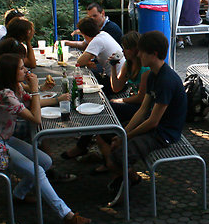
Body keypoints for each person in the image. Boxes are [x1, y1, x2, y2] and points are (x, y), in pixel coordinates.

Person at [0, 53, 90, 224]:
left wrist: (54, 98)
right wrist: (35, 88)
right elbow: (35, 118)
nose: (26, 71)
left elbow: (33, 103)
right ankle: (66, 214)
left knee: (46, 161)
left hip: (3, 138)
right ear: (11, 73)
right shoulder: (4, 95)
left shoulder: (15, 88)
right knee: (38, 170)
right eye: (21, 68)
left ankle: (18, 195)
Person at [106, 31, 187, 204]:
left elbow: (153, 122)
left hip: (164, 133)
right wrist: (123, 133)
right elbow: (143, 110)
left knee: (114, 159)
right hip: (154, 127)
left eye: (142, 52)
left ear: (154, 54)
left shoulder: (166, 80)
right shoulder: (152, 75)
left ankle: (127, 185)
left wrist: (125, 137)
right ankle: (129, 178)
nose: (138, 55)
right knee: (110, 136)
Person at [62, 32, 149, 171]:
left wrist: (121, 100)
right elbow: (116, 87)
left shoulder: (145, 69)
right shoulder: (128, 64)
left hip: (142, 108)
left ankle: (84, 147)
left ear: (134, 50)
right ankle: (99, 155)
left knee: (104, 109)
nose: (122, 51)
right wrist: (113, 67)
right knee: (102, 112)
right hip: (132, 102)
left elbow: (141, 98)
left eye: (125, 48)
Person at [74, 17, 125, 84]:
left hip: (116, 81)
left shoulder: (97, 41)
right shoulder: (103, 34)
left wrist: (86, 62)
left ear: (85, 35)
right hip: (121, 77)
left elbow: (79, 62)